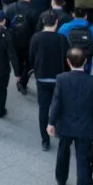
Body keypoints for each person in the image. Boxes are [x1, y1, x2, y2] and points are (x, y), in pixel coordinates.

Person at [47, 48, 93, 185]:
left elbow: (56, 103)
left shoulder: (62, 79)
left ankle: (61, 179)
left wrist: (51, 122)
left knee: (62, 152)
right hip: (85, 127)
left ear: (68, 62)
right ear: (85, 62)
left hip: (65, 125)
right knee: (82, 163)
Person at [30, 10, 70, 150]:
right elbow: (67, 60)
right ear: (56, 23)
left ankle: (45, 140)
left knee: (43, 108)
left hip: (42, 77)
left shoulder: (36, 38)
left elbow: (31, 57)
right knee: (59, 106)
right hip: (58, 79)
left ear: (42, 22)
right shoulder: (61, 39)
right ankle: (58, 129)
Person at [57, 7, 93, 74]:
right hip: (86, 60)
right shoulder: (91, 28)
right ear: (86, 16)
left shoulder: (65, 27)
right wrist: (92, 49)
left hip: (69, 59)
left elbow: (58, 42)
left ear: (73, 15)